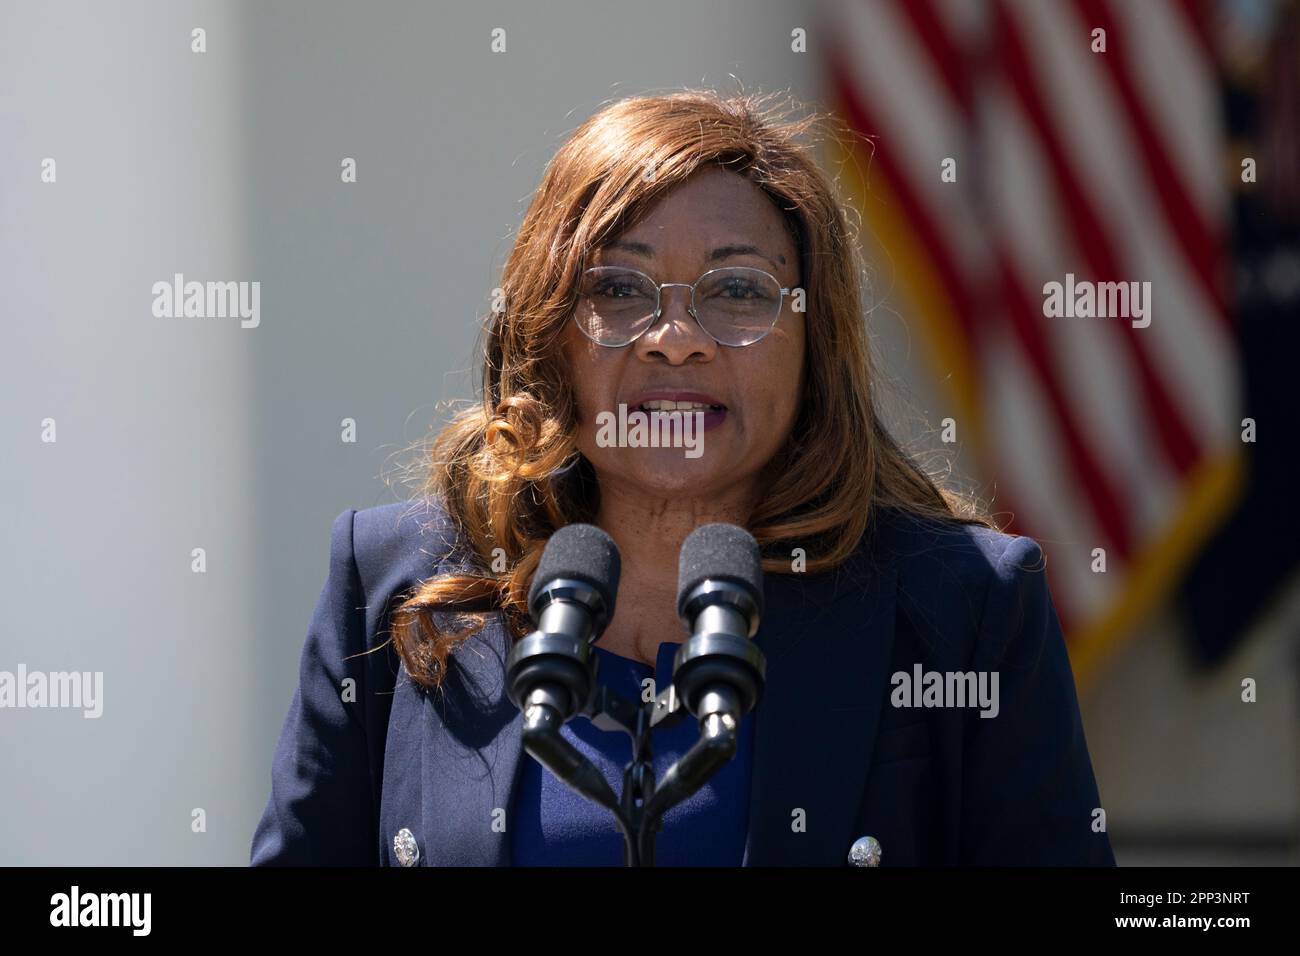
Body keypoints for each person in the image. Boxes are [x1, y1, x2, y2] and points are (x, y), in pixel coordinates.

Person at [250, 89, 1115, 867]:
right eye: (620, 290)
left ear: (816, 345)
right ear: (549, 334)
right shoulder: (393, 586)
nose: (675, 337)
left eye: (737, 291)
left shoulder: (966, 609)